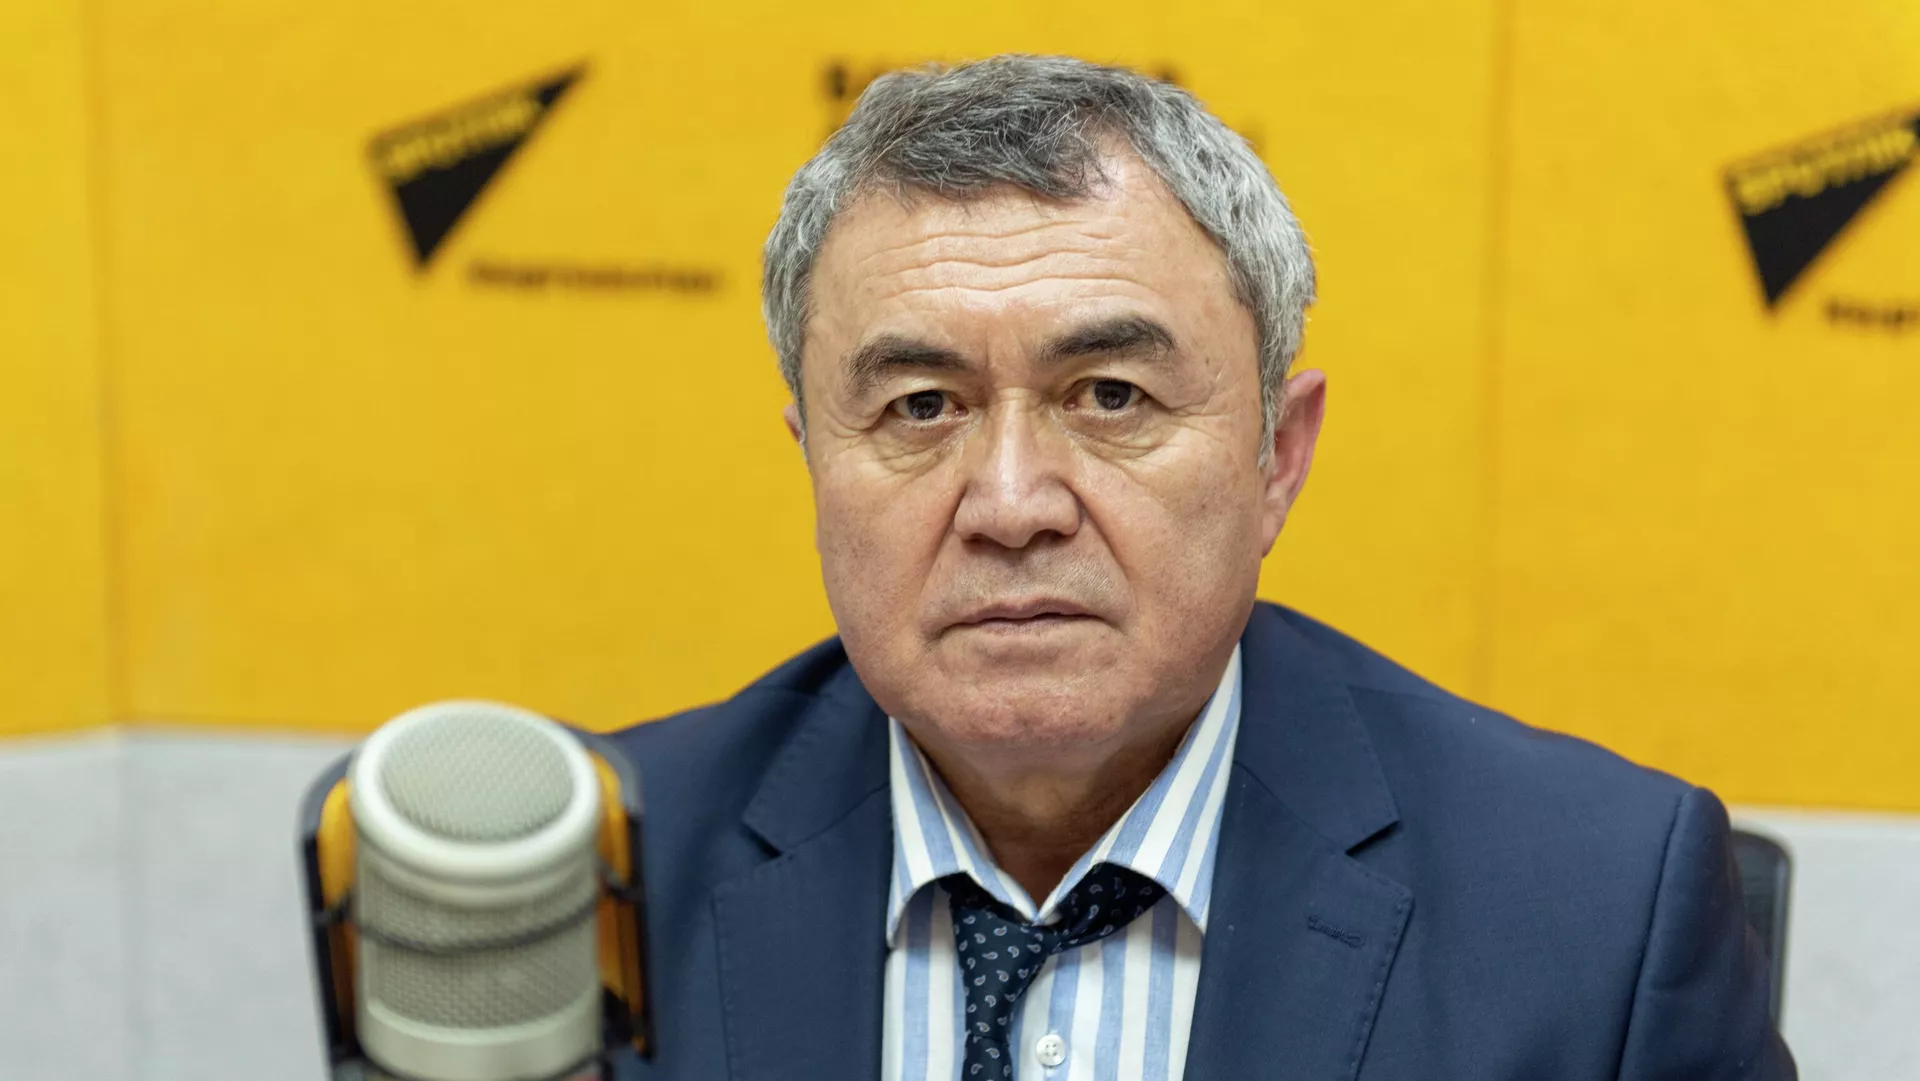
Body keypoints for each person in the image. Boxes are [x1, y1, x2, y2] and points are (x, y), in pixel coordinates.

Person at [607, 54, 1792, 1081]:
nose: (1012, 505)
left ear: (1278, 455)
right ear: (813, 458)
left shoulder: (1596, 914)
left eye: (1110, 396)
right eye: (921, 406)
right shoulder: (594, 879)